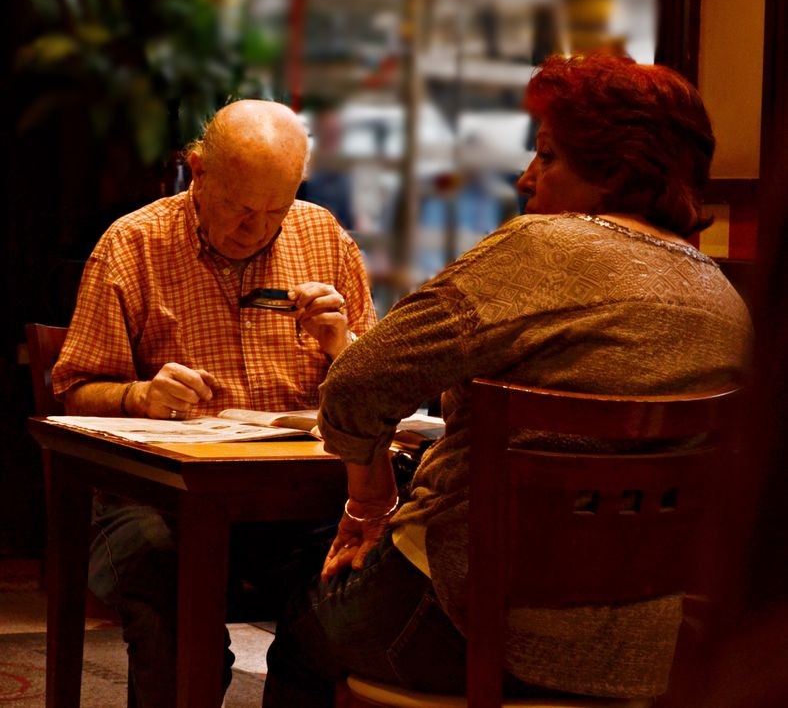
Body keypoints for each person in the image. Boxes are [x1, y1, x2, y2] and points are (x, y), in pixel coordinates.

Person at [262, 53, 754, 707]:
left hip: (465, 627)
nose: (527, 180)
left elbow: (357, 383)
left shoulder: (539, 248)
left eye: (548, 157)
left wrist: (369, 500)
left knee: (301, 619)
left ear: (613, 170)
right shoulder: (724, 299)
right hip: (645, 656)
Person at [51, 99, 376, 708]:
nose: (257, 230)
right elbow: (71, 392)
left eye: (275, 210)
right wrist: (140, 395)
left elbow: (376, 392)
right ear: (197, 171)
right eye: (240, 208)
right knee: (169, 600)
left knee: (360, 582)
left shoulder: (324, 237)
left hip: (293, 496)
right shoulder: (133, 245)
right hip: (158, 498)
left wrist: (343, 345)